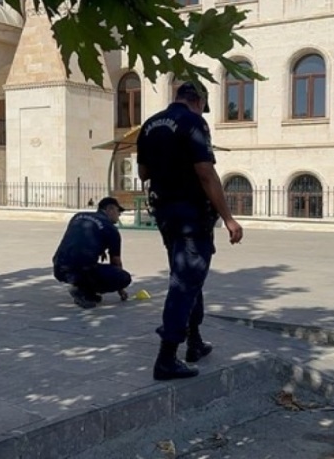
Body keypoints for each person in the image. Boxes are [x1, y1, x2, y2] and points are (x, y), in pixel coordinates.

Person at [136, 81, 244, 381]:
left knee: (187, 275)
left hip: (165, 214)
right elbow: (206, 173)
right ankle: (167, 357)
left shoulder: (149, 124)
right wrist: (229, 218)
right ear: (198, 100)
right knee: (184, 282)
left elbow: (143, 173)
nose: (202, 110)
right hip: (191, 214)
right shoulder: (194, 122)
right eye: (203, 106)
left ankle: (194, 341)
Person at [52, 197, 132, 308]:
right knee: (124, 277)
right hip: (81, 270)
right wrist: (121, 289)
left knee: (85, 264)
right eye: (119, 212)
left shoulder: (78, 216)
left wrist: (100, 249)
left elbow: (80, 240)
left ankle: (87, 293)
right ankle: (80, 289)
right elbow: (116, 261)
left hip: (59, 268)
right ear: (110, 209)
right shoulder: (111, 229)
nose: (119, 216)